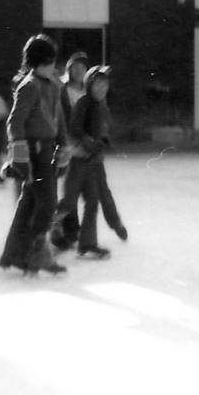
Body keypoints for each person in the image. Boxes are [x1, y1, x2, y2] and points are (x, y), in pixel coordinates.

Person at [0, 34, 70, 275]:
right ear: (35, 62)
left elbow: (57, 120)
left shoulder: (53, 86)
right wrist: (20, 156)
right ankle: (37, 252)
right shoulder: (29, 86)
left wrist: (63, 145)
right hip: (33, 153)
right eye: (47, 61)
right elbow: (15, 122)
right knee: (48, 204)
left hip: (47, 150)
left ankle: (14, 254)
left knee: (28, 204)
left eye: (53, 61)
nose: (52, 66)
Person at [51, 65, 127, 258]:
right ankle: (46, 227)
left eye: (105, 85)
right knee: (69, 202)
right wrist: (88, 141)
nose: (102, 89)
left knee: (92, 202)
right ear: (89, 84)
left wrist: (104, 140)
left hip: (93, 161)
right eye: (98, 85)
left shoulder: (102, 105)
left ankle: (87, 243)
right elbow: (74, 128)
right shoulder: (84, 103)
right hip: (79, 161)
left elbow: (105, 128)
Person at [59, 52, 89, 124]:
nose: (79, 70)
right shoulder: (60, 92)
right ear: (69, 70)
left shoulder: (90, 91)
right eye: (75, 67)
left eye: (82, 67)